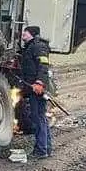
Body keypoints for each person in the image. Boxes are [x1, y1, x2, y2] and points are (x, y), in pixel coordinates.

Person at [20, 25, 53, 158]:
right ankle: (46, 148)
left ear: (32, 34)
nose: (23, 35)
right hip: (32, 87)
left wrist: (39, 82)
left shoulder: (38, 47)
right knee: (41, 118)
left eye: (25, 33)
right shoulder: (30, 47)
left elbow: (43, 66)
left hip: (38, 88)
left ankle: (41, 150)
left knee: (38, 118)